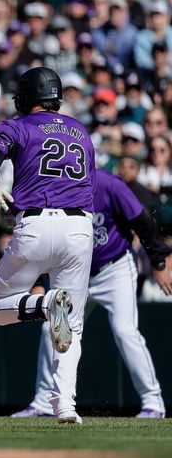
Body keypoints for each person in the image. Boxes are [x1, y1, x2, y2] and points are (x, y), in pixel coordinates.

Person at [0, 67, 96, 425]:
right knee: (73, 326)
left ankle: (44, 303)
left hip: (36, 223)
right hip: (79, 228)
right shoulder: (80, 130)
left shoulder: (18, 125)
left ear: (26, 97)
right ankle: (65, 406)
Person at [12, 170, 171, 420]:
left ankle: (153, 401)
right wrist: (42, 280)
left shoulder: (108, 184)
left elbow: (142, 220)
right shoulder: (56, 189)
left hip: (114, 267)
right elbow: (50, 241)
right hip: (76, 273)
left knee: (124, 330)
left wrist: (158, 261)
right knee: (52, 328)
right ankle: (44, 401)